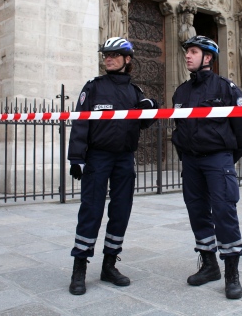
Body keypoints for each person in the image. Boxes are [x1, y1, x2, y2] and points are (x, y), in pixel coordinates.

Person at [67, 37, 159, 296]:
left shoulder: (134, 91)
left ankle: (109, 264)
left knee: (120, 212)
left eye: (115, 54)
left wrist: (150, 108)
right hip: (98, 158)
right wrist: (77, 158)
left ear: (127, 60)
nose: (108, 58)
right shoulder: (93, 87)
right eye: (106, 54)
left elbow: (142, 123)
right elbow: (80, 122)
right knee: (91, 210)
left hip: (124, 159)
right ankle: (79, 268)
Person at [172, 35, 242, 300]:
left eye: (193, 52)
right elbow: (178, 126)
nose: (187, 56)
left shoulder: (227, 89)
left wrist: (226, 158)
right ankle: (209, 265)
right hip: (192, 162)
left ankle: (232, 273)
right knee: (197, 211)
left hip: (218, 159)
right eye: (187, 52)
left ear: (207, 58)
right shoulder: (181, 92)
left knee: (223, 210)